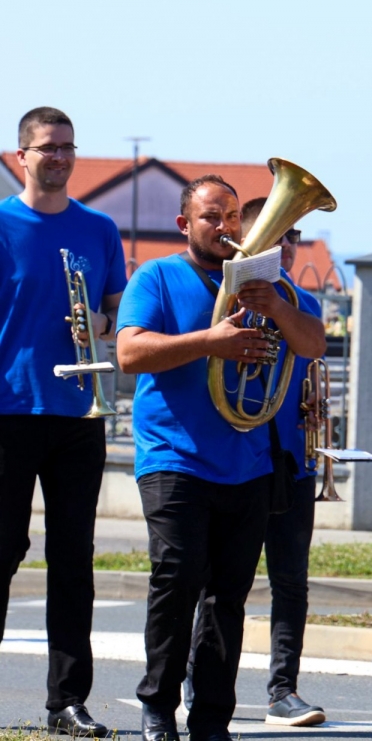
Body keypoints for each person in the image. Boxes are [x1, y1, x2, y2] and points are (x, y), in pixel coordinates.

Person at [116, 175, 326, 741]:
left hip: (248, 461)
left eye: (234, 216)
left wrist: (276, 307)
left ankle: (212, 719)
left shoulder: (271, 283)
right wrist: (212, 342)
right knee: (178, 577)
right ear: (186, 225)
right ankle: (158, 706)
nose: (227, 227)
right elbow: (130, 351)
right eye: (213, 216)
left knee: (227, 596)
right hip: (174, 457)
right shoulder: (158, 276)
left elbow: (312, 344)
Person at [0, 107, 126, 738]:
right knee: (2, 550)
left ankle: (66, 703)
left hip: (79, 408)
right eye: (48, 148)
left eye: (68, 147)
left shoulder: (100, 229)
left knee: (74, 560)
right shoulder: (0, 224)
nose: (60, 157)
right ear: (21, 156)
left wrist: (99, 327)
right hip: (9, 409)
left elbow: (115, 314)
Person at [181, 198, 327, 726]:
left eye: (293, 236)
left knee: (291, 580)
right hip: (237, 457)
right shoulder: (226, 298)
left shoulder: (299, 298)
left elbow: (313, 350)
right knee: (218, 583)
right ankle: (200, 687)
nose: (285, 244)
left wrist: (280, 309)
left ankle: (283, 690)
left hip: (289, 458)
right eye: (277, 234)